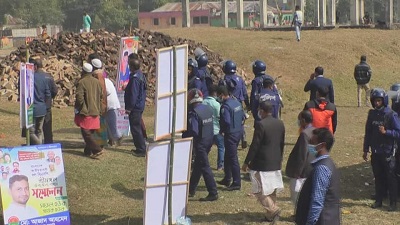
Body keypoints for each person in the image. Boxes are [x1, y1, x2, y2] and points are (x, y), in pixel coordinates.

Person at [242, 101, 285, 223]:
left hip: (262, 163)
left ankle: (273, 209)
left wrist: (246, 162)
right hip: (275, 161)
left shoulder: (261, 124)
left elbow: (255, 145)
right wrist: (280, 158)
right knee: (271, 189)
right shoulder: (280, 123)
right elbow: (282, 144)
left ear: (262, 110)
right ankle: (269, 216)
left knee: (259, 190)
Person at [363, 88, 400, 211]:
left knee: (391, 177)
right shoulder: (372, 114)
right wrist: (365, 149)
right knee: (378, 176)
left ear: (383, 100)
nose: (376, 103)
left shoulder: (391, 115)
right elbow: (368, 132)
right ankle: (378, 199)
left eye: (379, 101)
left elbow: (398, 132)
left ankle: (393, 202)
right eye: (375, 101)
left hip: (388, 152)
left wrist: (386, 132)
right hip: (376, 151)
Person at [295, 128, 340, 225]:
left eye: (312, 142)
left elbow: (317, 200)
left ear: (322, 145)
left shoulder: (321, 168)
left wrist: (310, 222)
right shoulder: (328, 164)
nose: (309, 145)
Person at [183, 89, 218, 201]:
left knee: (204, 167)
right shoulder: (207, 109)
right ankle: (191, 189)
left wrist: (185, 137)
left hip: (200, 143)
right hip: (209, 140)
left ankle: (213, 192)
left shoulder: (193, 113)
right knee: (198, 165)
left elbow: (194, 130)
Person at [217, 86, 245, 191]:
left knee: (232, 158)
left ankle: (236, 182)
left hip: (230, 134)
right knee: (228, 155)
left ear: (221, 95)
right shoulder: (236, 102)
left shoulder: (225, 107)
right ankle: (227, 178)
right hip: (238, 132)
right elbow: (242, 116)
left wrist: (222, 130)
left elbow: (227, 121)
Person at [286, 110, 315, 206]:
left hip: (303, 170)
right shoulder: (315, 130)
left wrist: (297, 172)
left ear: (303, 120)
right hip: (311, 166)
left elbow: (302, 154)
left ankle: (299, 214)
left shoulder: (304, 134)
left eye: (299, 119)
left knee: (296, 193)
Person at [74, 63, 104, 158]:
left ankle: (97, 149)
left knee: (86, 132)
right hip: (95, 110)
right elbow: (101, 96)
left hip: (86, 111)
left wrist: (80, 108)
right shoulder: (97, 82)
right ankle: (88, 151)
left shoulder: (81, 82)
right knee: (90, 132)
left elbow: (79, 98)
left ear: (83, 71)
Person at [218, 60, 250, 149]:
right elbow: (245, 93)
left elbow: (221, 93)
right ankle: (243, 137)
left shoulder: (223, 80)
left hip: (228, 104)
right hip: (239, 104)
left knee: (229, 122)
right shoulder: (240, 79)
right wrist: (248, 104)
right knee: (240, 122)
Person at [124, 53, 147, 157]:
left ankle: (141, 149)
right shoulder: (140, 75)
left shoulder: (135, 79)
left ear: (132, 67)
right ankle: (140, 147)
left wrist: (129, 108)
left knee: (135, 129)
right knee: (137, 127)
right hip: (139, 105)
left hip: (135, 107)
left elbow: (133, 95)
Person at [31, 59, 58, 144]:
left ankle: (35, 145)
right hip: (47, 105)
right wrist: (50, 99)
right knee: (47, 128)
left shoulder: (32, 76)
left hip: (35, 104)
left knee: (34, 128)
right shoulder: (49, 76)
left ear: (35, 66)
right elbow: (55, 90)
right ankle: (49, 144)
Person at [203, 85, 225, 170]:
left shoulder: (203, 102)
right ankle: (220, 165)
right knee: (221, 147)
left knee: (206, 148)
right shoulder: (216, 104)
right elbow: (219, 116)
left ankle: (203, 162)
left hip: (206, 129)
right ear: (215, 93)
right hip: (216, 129)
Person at [29, 58, 51, 145]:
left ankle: (39, 147)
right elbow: (48, 94)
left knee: (30, 131)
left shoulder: (30, 77)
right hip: (42, 108)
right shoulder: (44, 77)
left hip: (31, 108)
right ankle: (39, 148)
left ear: (35, 66)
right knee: (39, 130)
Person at [91, 58, 108, 149]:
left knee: (99, 124)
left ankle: (99, 144)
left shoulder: (98, 76)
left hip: (99, 104)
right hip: (101, 103)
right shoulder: (100, 75)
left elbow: (99, 92)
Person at [104, 73, 123, 146]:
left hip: (110, 105)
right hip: (109, 105)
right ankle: (111, 140)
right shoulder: (107, 81)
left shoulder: (105, 82)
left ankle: (118, 138)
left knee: (112, 124)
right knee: (107, 124)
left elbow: (107, 91)